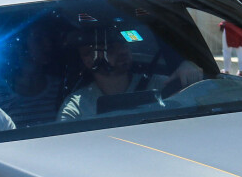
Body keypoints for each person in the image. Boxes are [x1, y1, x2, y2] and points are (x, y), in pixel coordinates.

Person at [59, 24, 203, 120]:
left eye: (124, 44)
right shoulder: (78, 107)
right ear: (88, 59)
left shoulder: (161, 86)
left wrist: (189, 71)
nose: (122, 50)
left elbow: (199, 107)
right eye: (111, 47)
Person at [0, 19, 65, 126]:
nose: (48, 44)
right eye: (38, 39)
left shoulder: (60, 87)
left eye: (49, 38)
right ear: (21, 45)